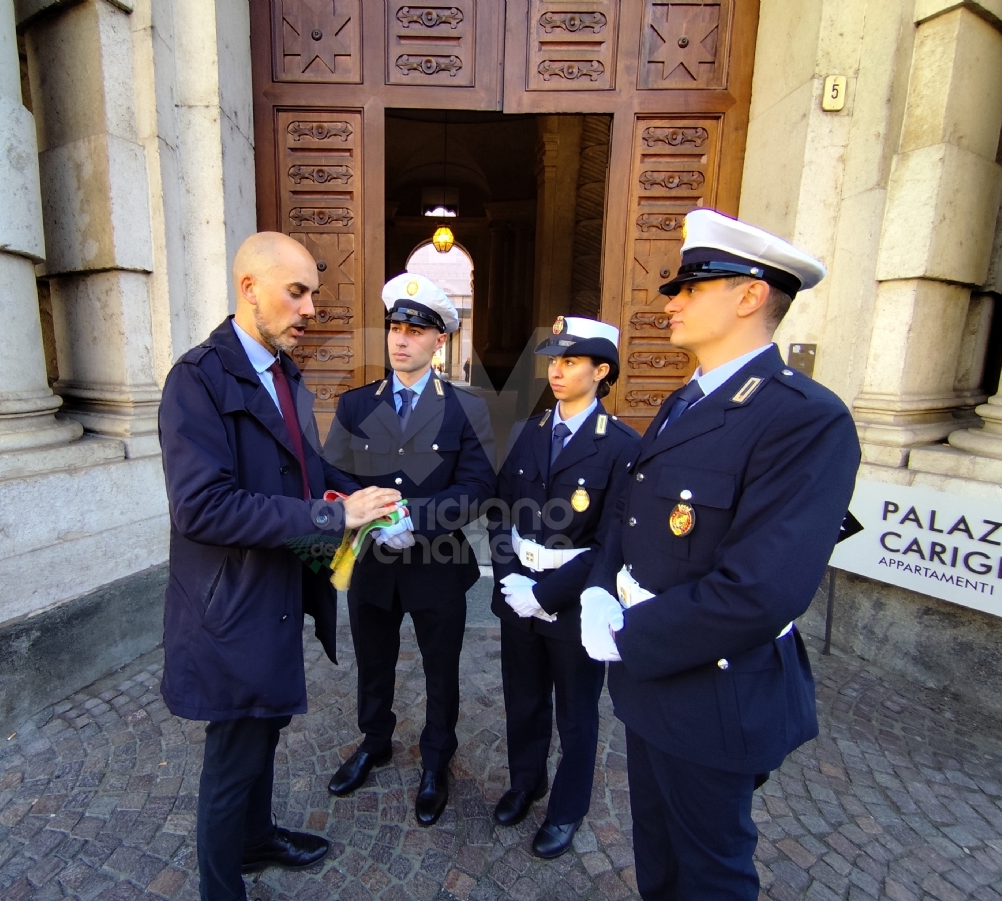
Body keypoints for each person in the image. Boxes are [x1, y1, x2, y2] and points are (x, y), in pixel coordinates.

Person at [580, 208, 861, 900]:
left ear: (749, 295)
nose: (669, 301)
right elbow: (629, 506)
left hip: (713, 692)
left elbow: (762, 590)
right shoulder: (685, 401)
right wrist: (597, 586)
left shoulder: (803, 416)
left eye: (691, 287)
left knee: (710, 873)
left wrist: (629, 632)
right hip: (651, 683)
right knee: (658, 851)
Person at [158, 231, 401, 901]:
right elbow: (201, 508)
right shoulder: (197, 378)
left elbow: (305, 469)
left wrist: (359, 495)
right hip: (228, 607)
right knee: (234, 753)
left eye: (313, 293)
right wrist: (330, 519)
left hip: (277, 592)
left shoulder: (285, 372)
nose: (310, 308)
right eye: (297, 292)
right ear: (248, 288)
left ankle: (257, 837)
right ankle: (220, 887)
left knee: (265, 725)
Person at [323, 272, 496, 826]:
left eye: (414, 331)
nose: (400, 339)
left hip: (435, 567)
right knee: (373, 663)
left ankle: (436, 759)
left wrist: (415, 520)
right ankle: (374, 742)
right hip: (371, 561)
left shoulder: (466, 408)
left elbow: (476, 488)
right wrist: (372, 517)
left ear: (438, 341)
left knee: (440, 669)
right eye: (395, 328)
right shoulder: (355, 405)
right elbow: (333, 475)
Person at [488, 316, 641, 858]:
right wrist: (509, 576)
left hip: (576, 605)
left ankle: (566, 808)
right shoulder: (528, 433)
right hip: (517, 593)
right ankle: (525, 783)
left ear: (601, 371)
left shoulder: (622, 446)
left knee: (576, 713)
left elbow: (612, 543)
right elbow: (500, 512)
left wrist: (548, 595)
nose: (556, 371)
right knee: (522, 701)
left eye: (571, 361)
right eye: (553, 360)